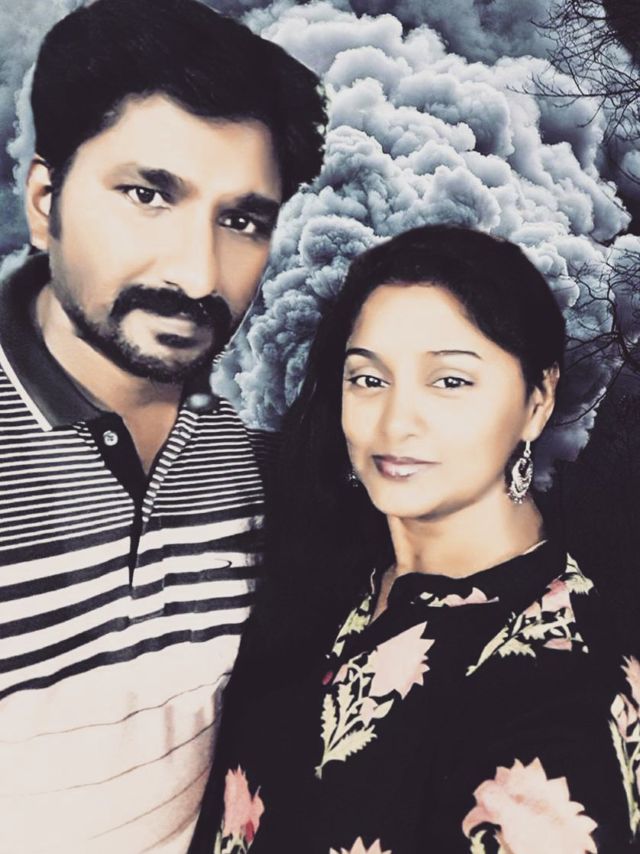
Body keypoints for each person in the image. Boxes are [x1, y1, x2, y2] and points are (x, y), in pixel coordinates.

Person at [191, 225, 640, 853]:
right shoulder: (321, 566)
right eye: (368, 379)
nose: (396, 422)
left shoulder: (563, 685)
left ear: (537, 401)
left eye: (450, 380)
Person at [0, 1, 325, 851]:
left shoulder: (252, 459)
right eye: (148, 194)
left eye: (242, 220)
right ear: (45, 201)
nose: (197, 273)